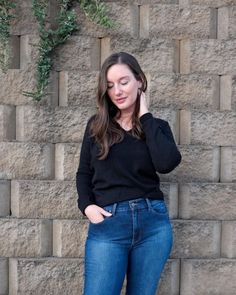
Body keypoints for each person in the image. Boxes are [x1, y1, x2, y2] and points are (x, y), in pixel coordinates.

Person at [76, 52, 182, 295]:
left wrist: (145, 116)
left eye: (124, 82)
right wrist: (86, 206)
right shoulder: (97, 126)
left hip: (152, 226)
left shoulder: (156, 128)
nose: (117, 91)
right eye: (111, 85)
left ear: (139, 81)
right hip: (109, 225)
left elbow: (167, 163)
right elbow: (84, 173)